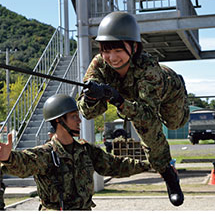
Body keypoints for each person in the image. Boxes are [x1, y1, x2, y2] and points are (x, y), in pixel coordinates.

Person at [77, 11, 189, 206]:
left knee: (173, 123)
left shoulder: (149, 71)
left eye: (118, 50)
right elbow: (87, 112)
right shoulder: (99, 64)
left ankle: (166, 170)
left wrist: (119, 100)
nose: (111, 57)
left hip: (169, 93)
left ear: (134, 47)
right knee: (141, 125)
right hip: (130, 95)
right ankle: (168, 172)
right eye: (106, 50)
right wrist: (91, 96)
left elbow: (147, 115)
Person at [0, 94, 150, 210]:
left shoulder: (86, 150)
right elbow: (24, 163)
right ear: (59, 120)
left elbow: (115, 165)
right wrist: (8, 157)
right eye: (74, 117)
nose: (79, 121)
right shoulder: (47, 154)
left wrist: (148, 165)